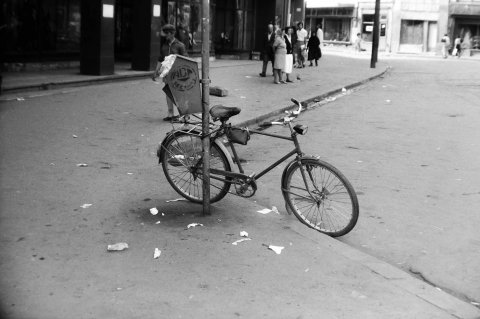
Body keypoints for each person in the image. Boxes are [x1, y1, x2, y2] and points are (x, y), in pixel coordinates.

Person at [154, 24, 187, 121]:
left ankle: (185, 115)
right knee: (168, 93)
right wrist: (156, 71)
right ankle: (170, 114)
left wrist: (178, 57)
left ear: (171, 34)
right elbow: (160, 59)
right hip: (166, 74)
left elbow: (186, 59)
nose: (164, 36)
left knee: (179, 94)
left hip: (177, 75)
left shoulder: (180, 45)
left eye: (165, 34)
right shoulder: (164, 45)